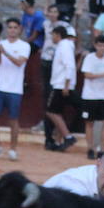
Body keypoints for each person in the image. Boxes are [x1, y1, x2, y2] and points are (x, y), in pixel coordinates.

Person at [0, 18, 31, 161]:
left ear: (19, 29)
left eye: (15, 27)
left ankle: (13, 149)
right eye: (10, 27)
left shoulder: (24, 46)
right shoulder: (1, 44)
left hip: (15, 88)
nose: (12, 30)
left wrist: (4, 52)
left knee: (13, 120)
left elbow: (19, 63)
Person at [78, 35, 104, 157]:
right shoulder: (89, 57)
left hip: (103, 94)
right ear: (95, 46)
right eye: (100, 45)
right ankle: (90, 148)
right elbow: (88, 75)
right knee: (89, 123)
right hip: (90, 95)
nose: (102, 48)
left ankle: (102, 148)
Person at [43, 23, 77, 151]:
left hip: (61, 85)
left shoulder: (64, 46)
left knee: (51, 111)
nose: (52, 37)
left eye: (53, 35)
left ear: (57, 35)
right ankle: (59, 140)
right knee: (57, 112)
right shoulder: (65, 46)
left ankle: (67, 136)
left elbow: (70, 66)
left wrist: (66, 86)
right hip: (62, 84)